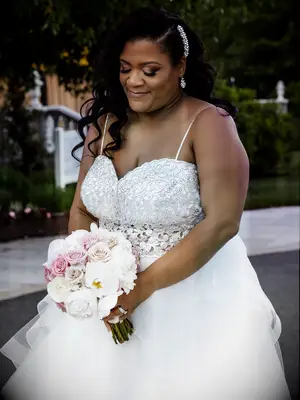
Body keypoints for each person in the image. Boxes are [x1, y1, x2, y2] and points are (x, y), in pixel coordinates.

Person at [1, 7, 291, 400]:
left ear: (180, 67)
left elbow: (222, 222)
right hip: (105, 298)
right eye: (124, 68)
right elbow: (82, 208)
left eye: (149, 70)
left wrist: (137, 291)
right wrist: (88, 274)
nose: (133, 81)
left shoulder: (208, 124)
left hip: (190, 299)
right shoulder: (106, 124)